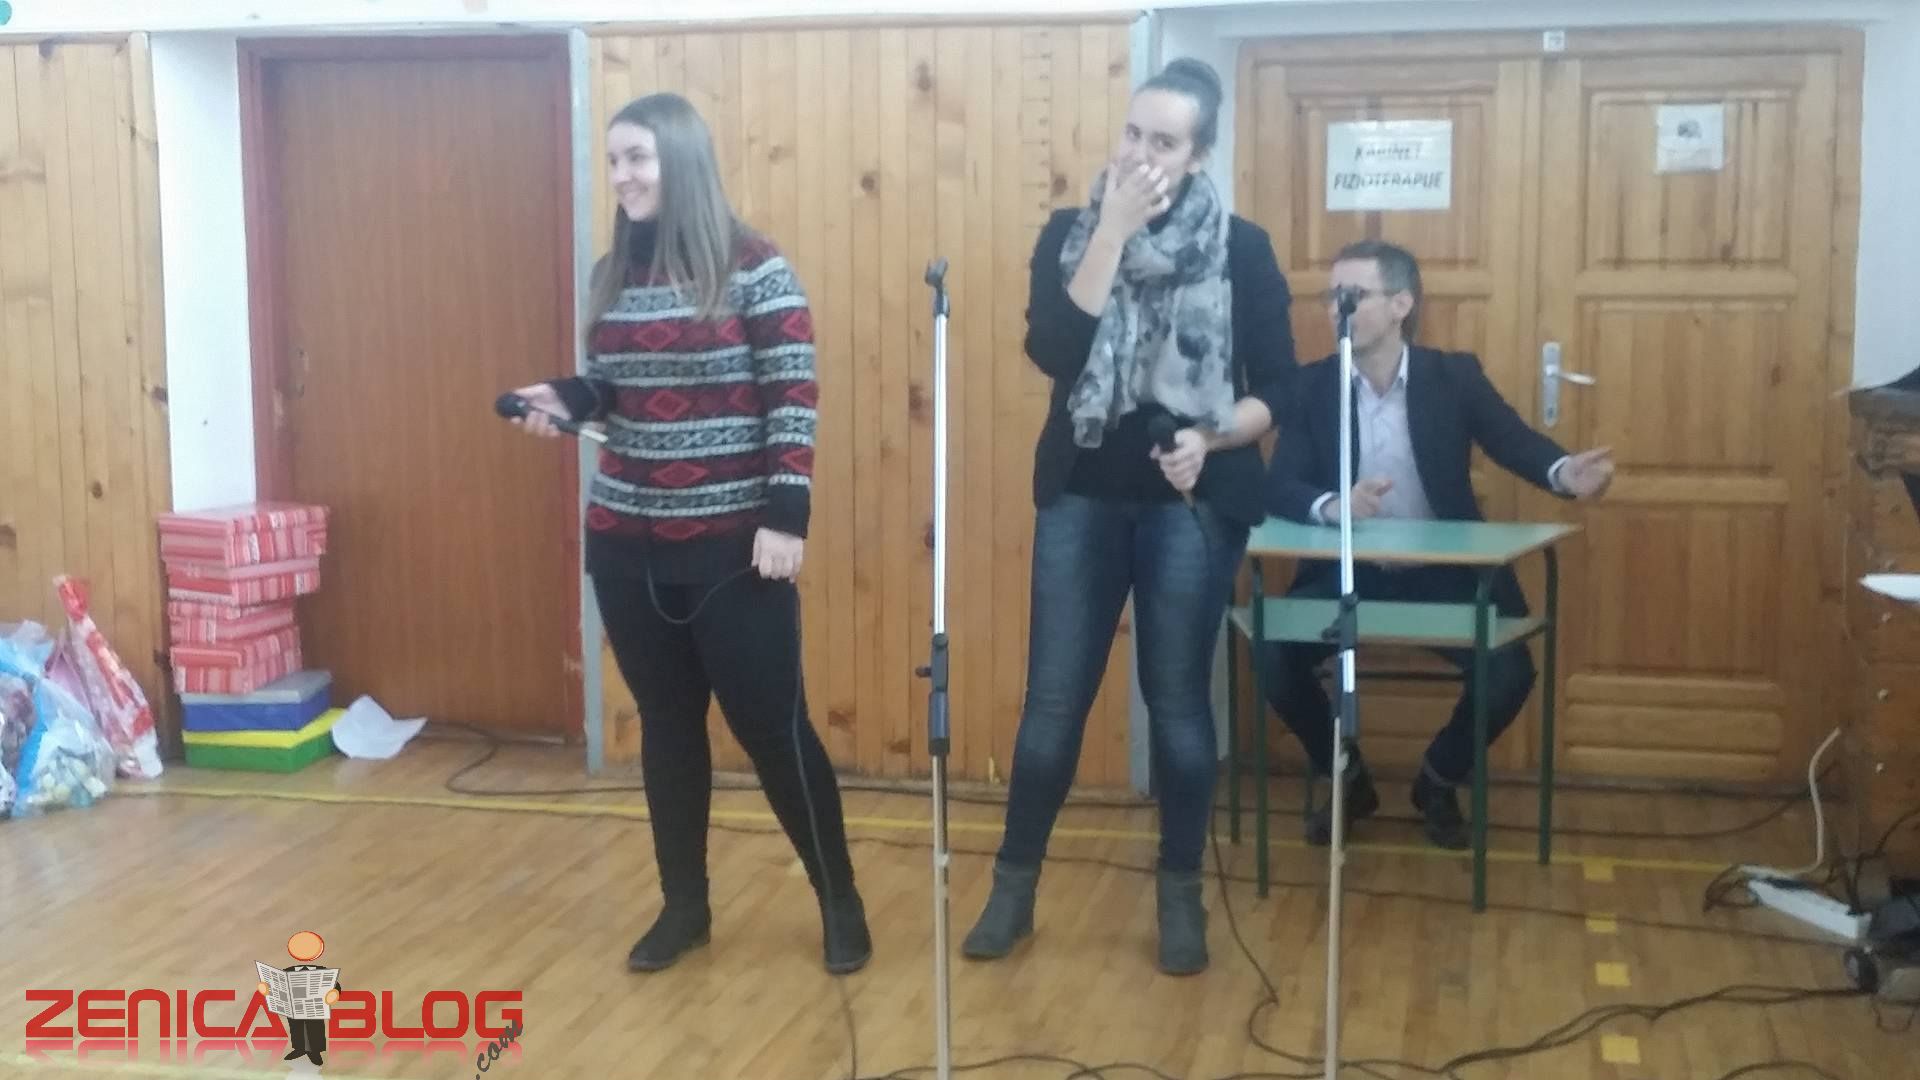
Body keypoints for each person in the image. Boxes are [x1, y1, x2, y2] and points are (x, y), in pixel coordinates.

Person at [508, 92, 869, 976]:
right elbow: (617, 390)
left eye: (639, 158)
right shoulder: (611, 273)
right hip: (626, 541)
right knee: (668, 726)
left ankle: (840, 900)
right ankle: (685, 907)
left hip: (735, 544)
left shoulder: (755, 267)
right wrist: (568, 398)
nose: (623, 176)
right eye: (615, 160)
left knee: (772, 727)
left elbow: (793, 396)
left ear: (682, 161)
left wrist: (787, 517)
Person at [963, 57, 1298, 976]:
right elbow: (1054, 349)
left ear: (1198, 155)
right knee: (1053, 702)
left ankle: (1180, 894)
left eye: (1165, 142)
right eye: (1133, 133)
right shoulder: (1070, 234)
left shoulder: (1243, 249)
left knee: (1178, 704)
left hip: (1193, 500)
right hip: (1083, 491)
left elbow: (1280, 388)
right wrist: (1110, 231)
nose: (1142, 154)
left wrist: (1211, 439)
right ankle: (1012, 890)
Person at [1260, 239, 1614, 851]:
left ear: (1401, 304)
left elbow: (1513, 441)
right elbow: (1281, 484)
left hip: (1444, 573)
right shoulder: (1313, 386)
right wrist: (1332, 506)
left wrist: (1562, 472)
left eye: (1353, 295)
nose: (1337, 308)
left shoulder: (1454, 377)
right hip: (1348, 574)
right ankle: (1348, 778)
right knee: (1273, 657)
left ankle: (1438, 778)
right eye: (1331, 296)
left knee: (1509, 673)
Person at [255, 930, 340, 1067]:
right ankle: (299, 1048)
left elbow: (334, 985)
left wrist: (334, 993)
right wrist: (267, 990)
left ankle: (315, 1052)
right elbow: (277, 984)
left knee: (314, 1028)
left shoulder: (322, 971)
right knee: (296, 1027)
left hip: (314, 1007)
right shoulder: (288, 971)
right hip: (293, 1006)